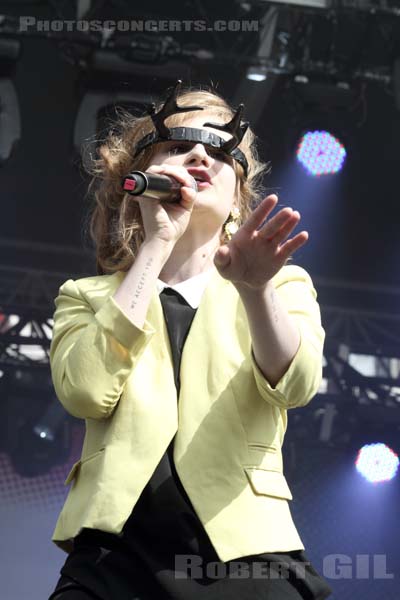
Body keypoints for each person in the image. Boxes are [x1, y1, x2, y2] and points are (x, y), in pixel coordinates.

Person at [48, 81, 332, 599]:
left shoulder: (281, 283)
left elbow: (297, 384)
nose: (201, 154)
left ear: (237, 196)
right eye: (179, 147)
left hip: (245, 553)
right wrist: (157, 244)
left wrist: (255, 288)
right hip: (115, 556)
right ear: (140, 178)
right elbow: (86, 392)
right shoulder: (85, 295)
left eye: (221, 151)